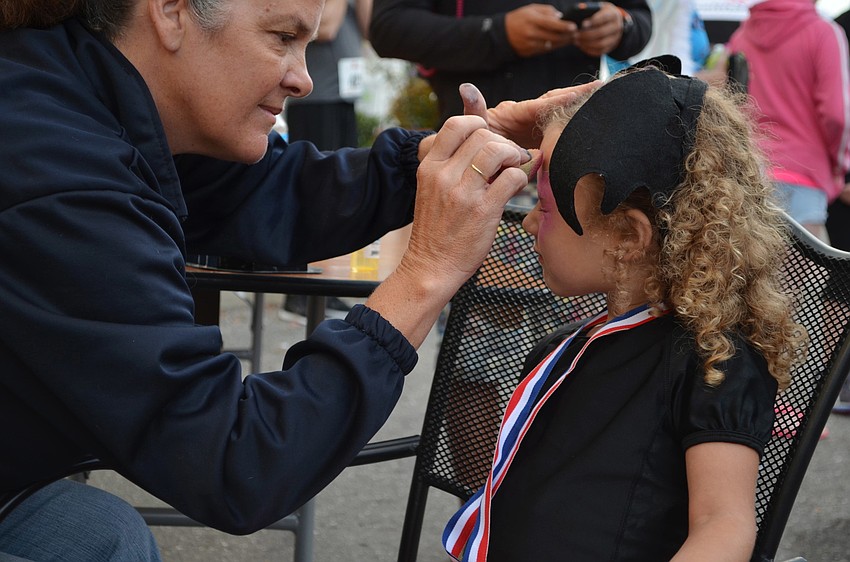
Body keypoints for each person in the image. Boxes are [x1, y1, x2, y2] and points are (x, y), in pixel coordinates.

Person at [0, 0, 594, 559]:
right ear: (172, 11)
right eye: (282, 38)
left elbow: (272, 193)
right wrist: (428, 272)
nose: (303, 79)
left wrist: (447, 154)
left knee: (106, 535)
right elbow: (234, 461)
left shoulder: (81, 93)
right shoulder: (58, 170)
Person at [442, 62, 807, 560]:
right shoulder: (565, 348)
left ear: (628, 237)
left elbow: (724, 526)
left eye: (545, 207)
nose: (528, 222)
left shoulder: (715, 359)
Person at [369, 0, 652, 126]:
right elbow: (389, 28)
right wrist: (497, 33)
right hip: (477, 145)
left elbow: (639, 17)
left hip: (574, 144)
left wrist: (620, 25)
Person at [725, 0, 850, 242]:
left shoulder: (742, 35)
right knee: (808, 278)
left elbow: (733, 105)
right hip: (805, 177)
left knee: (756, 277)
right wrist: (839, 168)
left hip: (752, 176)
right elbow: (837, 116)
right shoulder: (824, 32)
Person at [278, 0, 372, 321]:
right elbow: (327, 27)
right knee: (317, 189)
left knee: (341, 191)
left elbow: (370, 28)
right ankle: (297, 292)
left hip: (343, 94)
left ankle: (327, 286)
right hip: (316, 97)